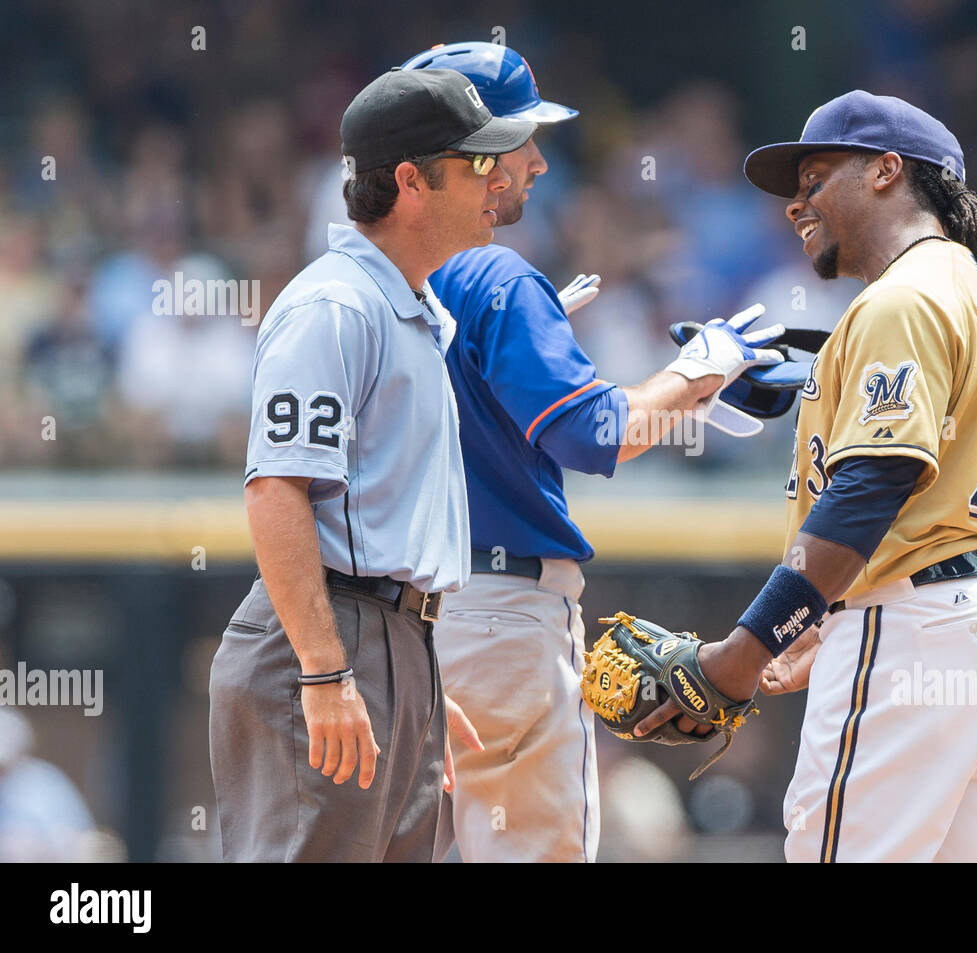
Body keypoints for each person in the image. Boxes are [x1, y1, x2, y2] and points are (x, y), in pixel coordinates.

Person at [635, 91, 977, 862]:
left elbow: (872, 483)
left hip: (917, 629)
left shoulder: (901, 297)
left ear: (887, 171)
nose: (797, 202)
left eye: (817, 174)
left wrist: (744, 652)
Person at [410, 42, 783, 862]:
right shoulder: (496, 278)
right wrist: (694, 371)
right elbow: (595, 434)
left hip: (394, 627)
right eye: (518, 142)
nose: (538, 163)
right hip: (500, 618)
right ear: (467, 158)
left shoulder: (369, 285)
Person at [208, 68, 535, 862]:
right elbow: (277, 491)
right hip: (324, 637)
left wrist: (415, 681)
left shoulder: (413, 307)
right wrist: (326, 673)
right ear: (412, 181)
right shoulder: (337, 305)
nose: (497, 179)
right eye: (477, 164)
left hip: (395, 641)